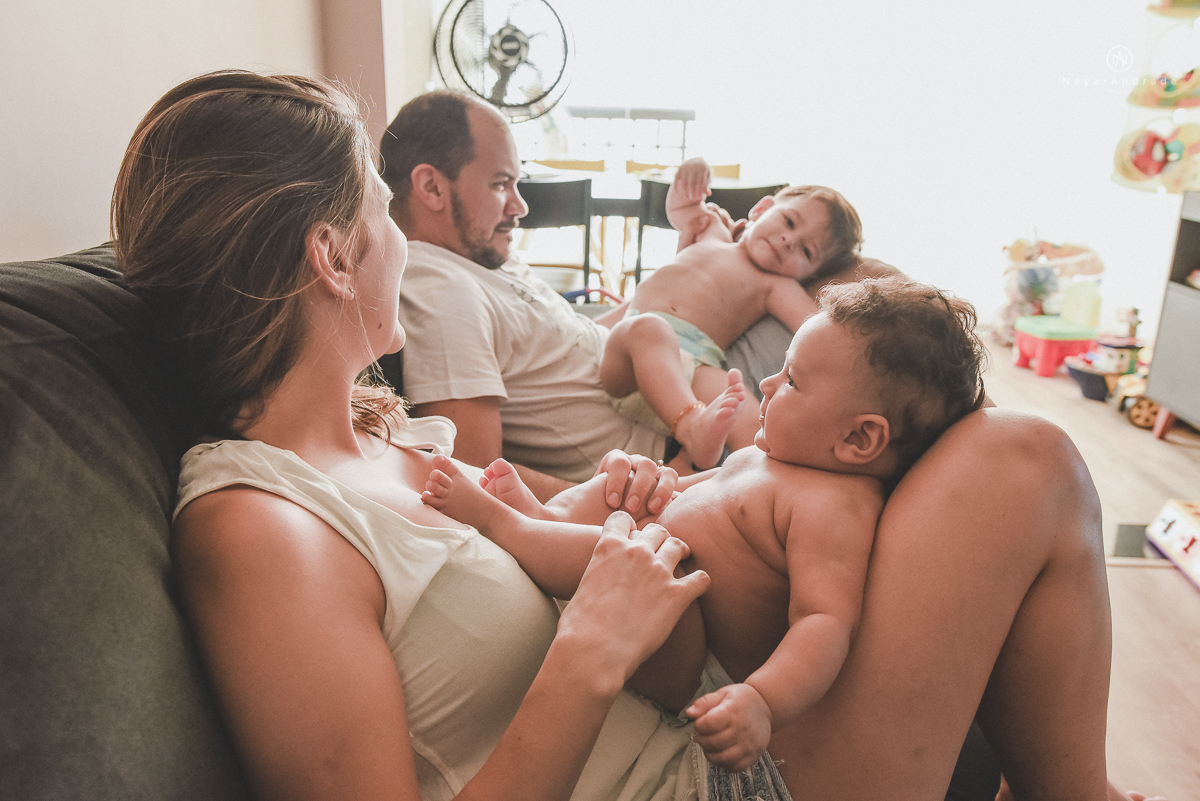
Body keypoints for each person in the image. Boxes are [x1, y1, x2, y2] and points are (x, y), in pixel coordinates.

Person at [115, 70, 1151, 801]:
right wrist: (595, 642)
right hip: (702, 782)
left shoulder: (380, 438)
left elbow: (528, 569)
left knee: (932, 419)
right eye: (380, 213)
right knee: (1028, 462)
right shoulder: (259, 528)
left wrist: (600, 511)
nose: (401, 234)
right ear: (333, 259)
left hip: (691, 710)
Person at [423, 276, 989, 781]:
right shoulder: (772, 458)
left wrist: (761, 702)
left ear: (859, 439)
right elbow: (689, 496)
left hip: (690, 663)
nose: (767, 384)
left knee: (650, 563)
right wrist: (657, 485)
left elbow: (824, 622)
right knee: (634, 502)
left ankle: (512, 528)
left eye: (792, 380)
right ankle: (549, 521)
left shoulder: (836, 506)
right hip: (655, 581)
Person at [379, 91, 892, 500]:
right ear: (432, 188)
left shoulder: (483, 254)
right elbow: (472, 475)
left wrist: (675, 277)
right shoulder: (442, 289)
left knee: (865, 289)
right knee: (870, 361)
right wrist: (621, 499)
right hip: (671, 441)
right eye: (500, 184)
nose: (520, 204)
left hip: (670, 374)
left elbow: (577, 339)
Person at [599, 157, 864, 469]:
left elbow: (816, 325)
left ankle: (713, 473)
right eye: (789, 222)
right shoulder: (714, 232)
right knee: (649, 329)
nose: (788, 241)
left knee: (746, 413)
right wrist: (692, 172)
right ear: (762, 209)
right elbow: (682, 210)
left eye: (807, 252)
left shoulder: (776, 285)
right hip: (631, 357)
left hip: (696, 367)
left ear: (809, 274)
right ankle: (690, 427)